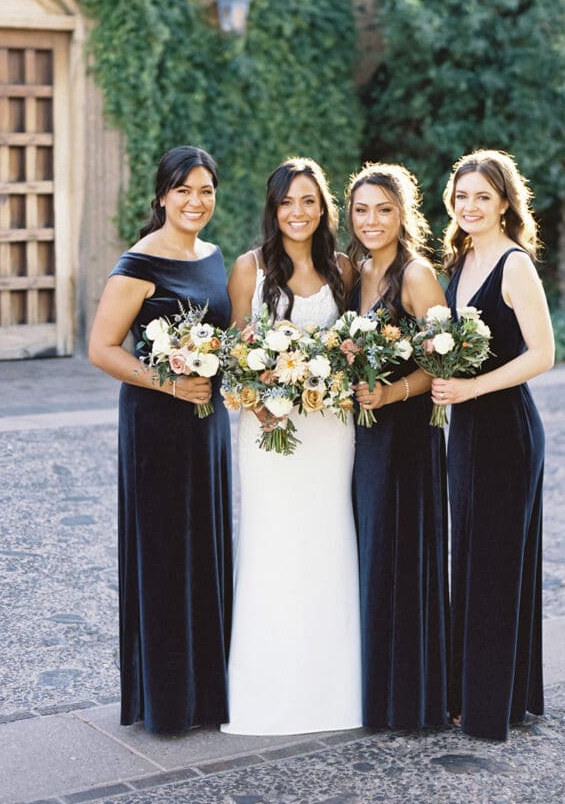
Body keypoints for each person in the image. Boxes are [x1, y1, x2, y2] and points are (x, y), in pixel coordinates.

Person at [88, 146, 232, 734]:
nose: (196, 202)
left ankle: (209, 695)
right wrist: (169, 383)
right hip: (157, 425)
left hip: (207, 423)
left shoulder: (213, 257)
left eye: (206, 191)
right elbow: (102, 349)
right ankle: (169, 704)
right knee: (165, 554)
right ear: (163, 196)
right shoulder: (138, 263)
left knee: (205, 546)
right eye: (184, 190)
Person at [221, 158, 362, 735]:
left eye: (308, 201)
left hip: (331, 430)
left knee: (329, 539)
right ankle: (267, 690)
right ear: (273, 208)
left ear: (323, 208)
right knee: (273, 544)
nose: (297, 213)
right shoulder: (249, 269)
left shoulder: (344, 269)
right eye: (286, 202)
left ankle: (337, 691)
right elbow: (234, 356)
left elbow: (354, 348)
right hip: (269, 434)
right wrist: (264, 408)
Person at [433, 148, 555, 741]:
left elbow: (543, 354)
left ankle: (489, 708)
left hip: (507, 430)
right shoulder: (461, 259)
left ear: (505, 202)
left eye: (483, 196)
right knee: (470, 560)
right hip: (467, 430)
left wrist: (471, 387)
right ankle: (479, 693)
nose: (471, 206)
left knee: (496, 566)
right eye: (462, 197)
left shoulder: (514, 265)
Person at [346, 162, 450, 730]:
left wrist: (391, 393)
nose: (372, 220)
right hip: (363, 438)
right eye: (362, 210)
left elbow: (446, 362)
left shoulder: (416, 275)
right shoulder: (354, 271)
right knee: (370, 553)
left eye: (384, 209)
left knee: (401, 555)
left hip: (407, 438)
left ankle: (409, 696)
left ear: (402, 214)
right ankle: (371, 685)